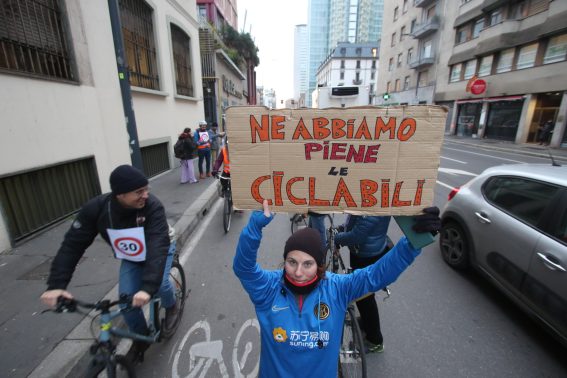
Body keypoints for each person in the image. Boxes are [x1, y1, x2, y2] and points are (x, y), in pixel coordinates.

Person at [233, 200, 441, 377]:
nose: (298, 272)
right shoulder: (269, 288)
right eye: (291, 262)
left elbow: (376, 275)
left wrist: (412, 243)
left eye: (308, 264)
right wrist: (254, 226)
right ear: (284, 261)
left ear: (319, 266)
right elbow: (244, 268)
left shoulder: (336, 288)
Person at [40, 165, 181, 364]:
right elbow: (72, 246)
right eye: (139, 192)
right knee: (126, 301)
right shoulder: (96, 209)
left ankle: (172, 305)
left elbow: (158, 244)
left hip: (161, 247)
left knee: (159, 284)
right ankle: (140, 340)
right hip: (132, 256)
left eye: (146, 189)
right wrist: (56, 285)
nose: (146, 195)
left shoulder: (152, 206)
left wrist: (147, 287)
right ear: (120, 195)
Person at [333, 214, 393, 352]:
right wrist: (343, 228)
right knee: (362, 297)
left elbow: (357, 235)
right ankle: (367, 323)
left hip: (366, 254)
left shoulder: (371, 203)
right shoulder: (367, 199)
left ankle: (375, 341)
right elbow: (355, 222)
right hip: (365, 250)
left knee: (365, 298)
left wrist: (336, 238)